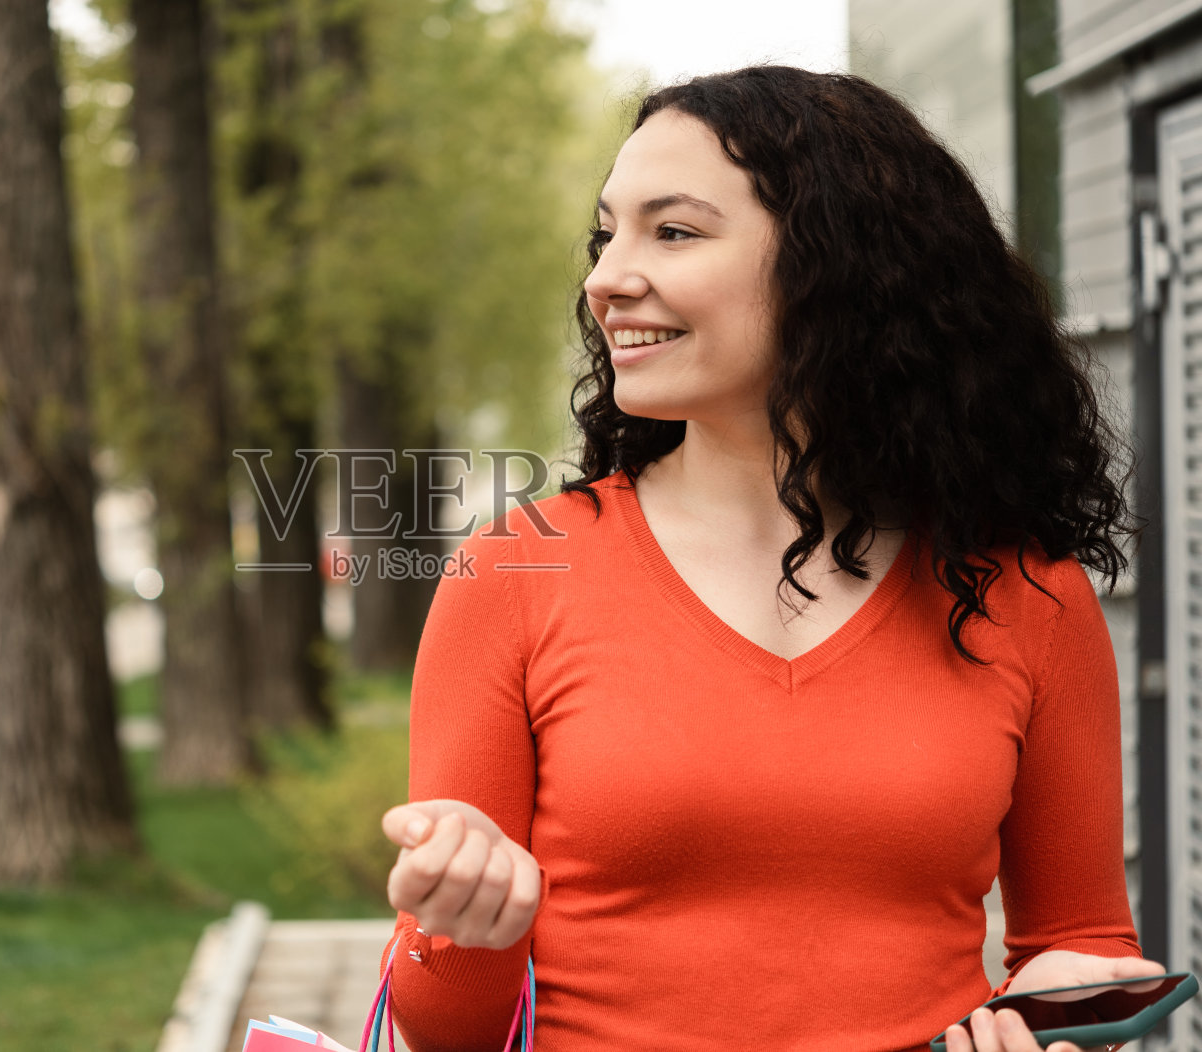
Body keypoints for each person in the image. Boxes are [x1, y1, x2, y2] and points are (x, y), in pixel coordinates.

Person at [376, 65, 1167, 1052]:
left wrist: (1050, 1017)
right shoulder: (513, 573)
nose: (606, 276)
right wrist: (462, 924)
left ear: (840, 264)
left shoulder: (1026, 595)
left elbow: (1080, 942)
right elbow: (442, 1030)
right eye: (605, 233)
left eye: (671, 231)